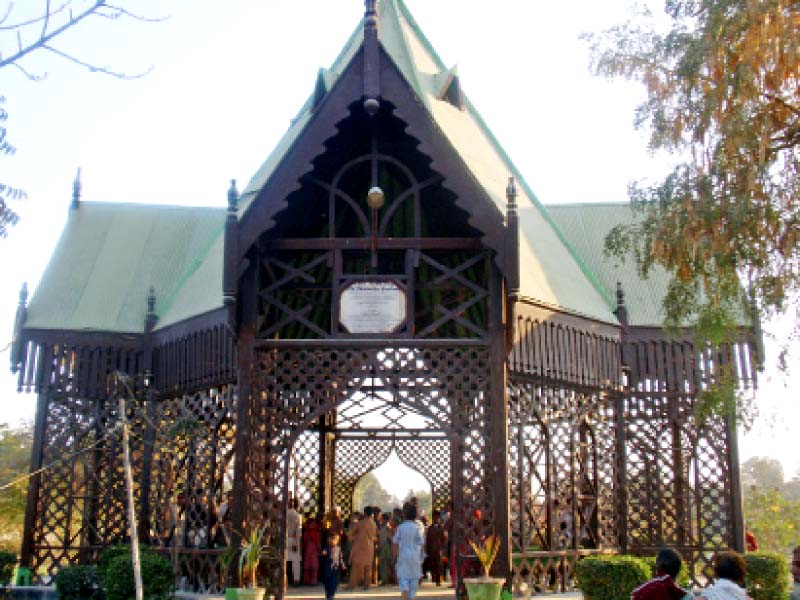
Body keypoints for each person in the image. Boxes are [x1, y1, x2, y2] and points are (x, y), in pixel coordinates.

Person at [394, 502, 424, 600]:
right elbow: (421, 542)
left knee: (403, 577)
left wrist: (395, 556)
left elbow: (395, 541)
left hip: (403, 555)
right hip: (414, 556)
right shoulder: (416, 528)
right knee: (414, 579)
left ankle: (404, 590)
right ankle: (410, 596)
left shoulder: (400, 527)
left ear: (404, 515)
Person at [348, 507, 377, 590]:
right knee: (368, 566)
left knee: (356, 566)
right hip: (370, 546)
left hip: (359, 546)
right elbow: (374, 537)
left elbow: (349, 534)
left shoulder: (360, 523)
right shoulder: (373, 524)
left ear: (364, 513)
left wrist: (355, 538)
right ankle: (367, 585)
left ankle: (352, 585)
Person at [425, 510, 447, 586]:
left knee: (439, 564)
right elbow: (427, 539)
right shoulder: (430, 528)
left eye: (437, 518)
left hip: (439, 549)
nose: (436, 519)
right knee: (432, 564)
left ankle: (438, 579)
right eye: (435, 518)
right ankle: (434, 577)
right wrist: (427, 549)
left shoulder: (442, 528)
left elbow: (444, 539)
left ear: (439, 518)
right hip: (431, 549)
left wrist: (443, 548)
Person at [320, 531, 344, 600]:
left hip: (335, 568)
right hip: (327, 568)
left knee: (334, 582)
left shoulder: (338, 549)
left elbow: (340, 558)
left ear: (337, 541)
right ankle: (328, 594)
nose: (332, 541)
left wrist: (342, 565)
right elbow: (321, 557)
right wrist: (323, 554)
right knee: (327, 582)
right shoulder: (326, 548)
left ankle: (331, 594)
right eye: (330, 539)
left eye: (334, 539)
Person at [286, 498, 303, 585]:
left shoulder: (283, 514)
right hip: (294, 538)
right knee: (295, 561)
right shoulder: (298, 515)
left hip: (285, 538)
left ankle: (282, 578)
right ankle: (296, 579)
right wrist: (297, 542)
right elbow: (298, 530)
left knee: (282, 559)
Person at [302, 514, 322, 585]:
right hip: (313, 550)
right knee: (312, 566)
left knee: (309, 566)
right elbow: (318, 542)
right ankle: (312, 580)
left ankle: (309, 580)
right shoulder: (316, 532)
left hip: (310, 550)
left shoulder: (307, 532)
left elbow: (304, 541)